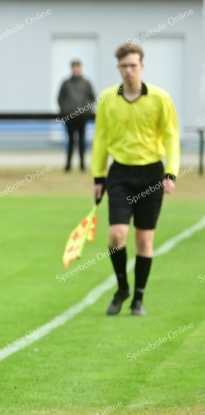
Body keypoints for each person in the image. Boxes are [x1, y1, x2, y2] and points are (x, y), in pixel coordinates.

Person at [91, 43, 179, 316]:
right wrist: (98, 176)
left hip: (151, 174)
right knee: (116, 235)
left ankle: (138, 298)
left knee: (144, 240)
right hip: (120, 174)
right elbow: (101, 138)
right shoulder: (107, 98)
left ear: (142, 66)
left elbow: (172, 136)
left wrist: (171, 172)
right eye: (123, 66)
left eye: (133, 65)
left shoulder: (160, 98)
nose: (128, 71)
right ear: (118, 67)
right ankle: (122, 288)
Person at [58, 60, 96, 172]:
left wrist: (86, 111)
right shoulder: (66, 83)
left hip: (82, 117)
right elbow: (60, 98)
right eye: (73, 68)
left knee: (81, 140)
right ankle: (68, 165)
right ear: (71, 69)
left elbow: (92, 99)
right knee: (70, 141)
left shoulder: (86, 83)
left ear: (80, 68)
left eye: (77, 68)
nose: (75, 70)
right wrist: (65, 111)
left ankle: (82, 165)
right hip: (69, 117)